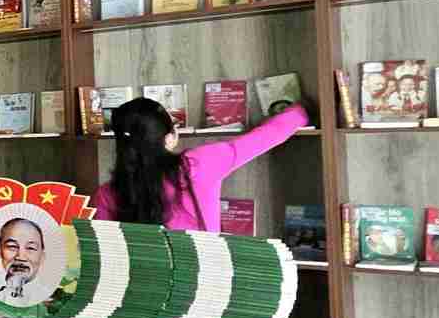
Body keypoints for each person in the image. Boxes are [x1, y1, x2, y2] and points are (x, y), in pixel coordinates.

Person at [94, 95, 311, 229]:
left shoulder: (106, 194)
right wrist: (301, 110)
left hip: (143, 292)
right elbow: (267, 135)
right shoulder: (197, 165)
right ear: (170, 137)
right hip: (202, 287)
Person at [0, 216, 46, 301]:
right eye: (12, 246)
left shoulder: (48, 298)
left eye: (31, 248)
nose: (20, 257)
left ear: (42, 256)